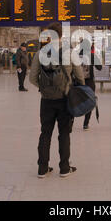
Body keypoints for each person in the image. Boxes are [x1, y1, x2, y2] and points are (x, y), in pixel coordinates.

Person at [29, 22, 85, 178]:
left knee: (45, 133)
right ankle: (65, 168)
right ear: (61, 35)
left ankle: (42, 168)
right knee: (64, 134)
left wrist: (44, 88)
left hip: (46, 100)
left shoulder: (40, 53)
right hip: (65, 99)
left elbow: (32, 78)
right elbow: (80, 76)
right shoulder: (70, 52)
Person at [80, 41, 102, 130]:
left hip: (77, 82)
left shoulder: (75, 56)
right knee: (89, 102)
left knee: (74, 101)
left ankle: (70, 121)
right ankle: (85, 124)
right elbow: (99, 67)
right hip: (89, 83)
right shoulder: (91, 56)